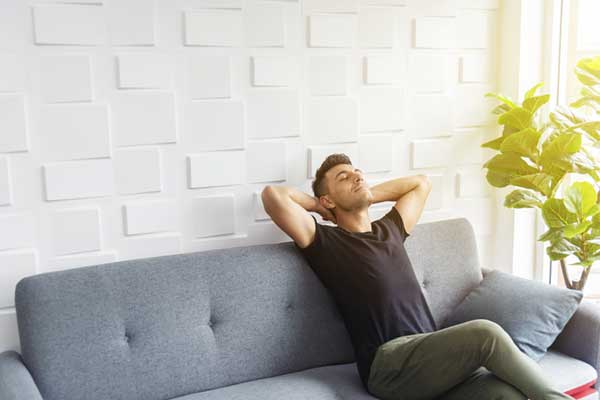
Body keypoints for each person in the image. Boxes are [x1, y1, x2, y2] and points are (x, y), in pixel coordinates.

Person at [261, 153, 575, 400]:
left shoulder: (390, 230)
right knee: (485, 333)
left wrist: (367, 194)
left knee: (506, 395)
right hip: (390, 367)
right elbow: (274, 196)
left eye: (357, 171)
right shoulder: (326, 242)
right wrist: (319, 206)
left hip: (429, 360)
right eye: (344, 177)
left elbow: (421, 184)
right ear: (328, 200)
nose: (356, 175)